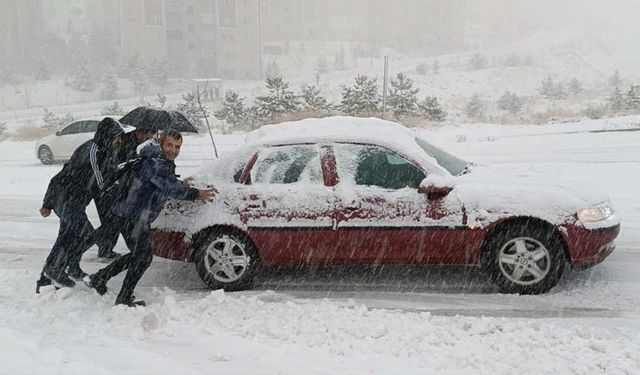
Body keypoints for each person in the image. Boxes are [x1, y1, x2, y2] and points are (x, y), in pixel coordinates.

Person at [86, 130, 215, 306]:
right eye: (169, 145)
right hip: (133, 215)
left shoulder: (159, 160)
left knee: (139, 256)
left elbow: (163, 182)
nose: (173, 150)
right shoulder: (156, 162)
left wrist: (180, 183)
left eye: (177, 147)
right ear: (162, 144)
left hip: (130, 213)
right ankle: (122, 296)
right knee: (143, 257)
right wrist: (196, 193)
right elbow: (167, 187)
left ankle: (99, 278)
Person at [37, 117, 124, 291]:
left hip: (74, 201)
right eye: (116, 137)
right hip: (64, 198)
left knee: (67, 236)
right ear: (107, 135)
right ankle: (55, 269)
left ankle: (56, 274)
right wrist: (47, 203)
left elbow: (106, 175)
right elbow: (100, 182)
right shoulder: (93, 151)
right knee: (85, 234)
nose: (119, 141)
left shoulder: (104, 150)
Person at [94, 127, 156, 259]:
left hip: (119, 189)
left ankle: (104, 247)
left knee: (112, 223)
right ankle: (89, 243)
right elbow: (116, 166)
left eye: (151, 135)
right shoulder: (125, 143)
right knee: (112, 223)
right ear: (139, 132)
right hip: (108, 188)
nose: (148, 138)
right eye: (147, 134)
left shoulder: (140, 144)